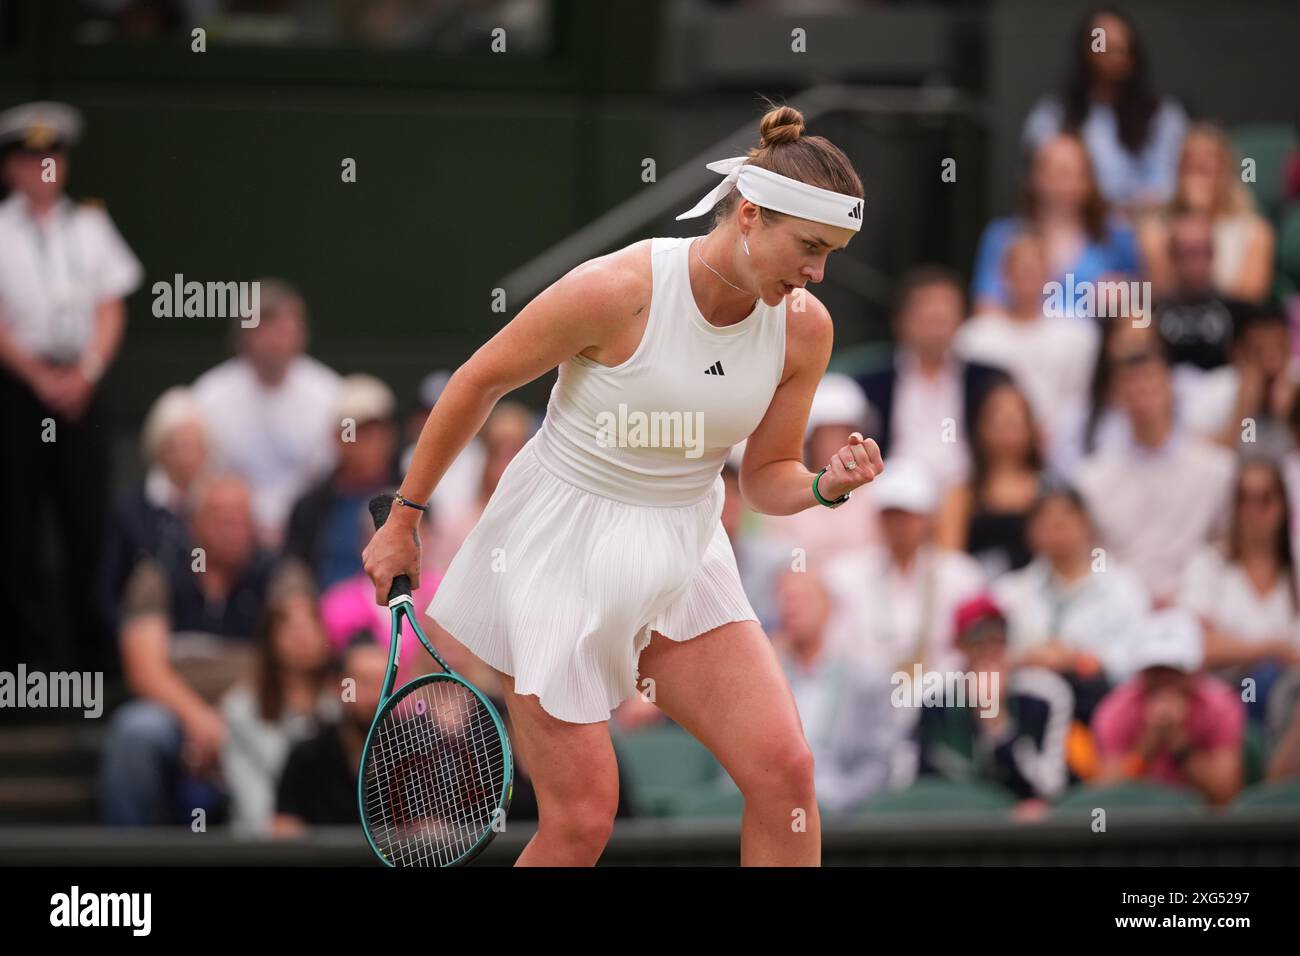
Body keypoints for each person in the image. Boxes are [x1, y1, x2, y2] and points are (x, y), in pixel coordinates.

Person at [363, 104, 883, 866]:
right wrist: (404, 517)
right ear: (748, 216)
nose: (816, 273)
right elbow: (477, 383)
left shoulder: (804, 326)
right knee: (581, 822)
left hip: (684, 550)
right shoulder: (618, 289)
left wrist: (825, 486)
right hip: (557, 551)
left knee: (786, 776)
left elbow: (768, 477)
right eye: (808, 247)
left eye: (831, 253)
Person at [0, 100, 144, 674]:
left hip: (82, 390)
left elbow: (111, 308)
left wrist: (84, 373)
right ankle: (23, 661)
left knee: (89, 521)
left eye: (53, 155)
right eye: (32, 157)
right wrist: (37, 377)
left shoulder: (91, 224)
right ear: (11, 166)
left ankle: (93, 657)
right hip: (16, 390)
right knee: (15, 524)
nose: (45, 167)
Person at [99, 474, 280, 826]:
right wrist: (200, 721)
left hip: (257, 711)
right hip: (177, 715)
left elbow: (294, 655)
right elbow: (144, 670)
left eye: (240, 517)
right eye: (220, 517)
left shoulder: (277, 573)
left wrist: (231, 720)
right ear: (193, 523)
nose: (232, 527)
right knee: (135, 732)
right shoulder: (159, 574)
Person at [1074, 342, 1235, 604]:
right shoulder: (1090, 480)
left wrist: (1190, 595)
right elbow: (1093, 556)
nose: (1141, 390)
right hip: (1119, 608)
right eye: (1130, 383)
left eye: (1150, 379)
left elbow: (1226, 546)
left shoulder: (1218, 469)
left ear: (1170, 388)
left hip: (1201, 603)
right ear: (1116, 395)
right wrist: (1126, 596)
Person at [191, 279, 342, 548]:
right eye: (266, 325)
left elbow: (329, 474)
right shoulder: (208, 396)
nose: (277, 337)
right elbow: (202, 477)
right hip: (229, 537)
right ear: (245, 333)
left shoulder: (329, 393)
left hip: (309, 535)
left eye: (286, 326)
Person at [991, 486, 1150, 718]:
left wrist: (1079, 660)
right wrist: (1027, 658)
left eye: (1065, 521)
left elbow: (1139, 653)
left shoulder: (1121, 587)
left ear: (1086, 524)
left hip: (1100, 706)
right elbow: (991, 655)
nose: (1057, 531)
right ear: (1031, 532)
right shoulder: (1009, 591)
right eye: (1046, 523)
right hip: (1024, 710)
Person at [821, 457, 985, 678]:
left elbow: (969, 649)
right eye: (891, 514)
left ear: (927, 518)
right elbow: (838, 649)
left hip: (939, 696)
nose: (899, 525)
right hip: (869, 693)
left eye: (907, 515)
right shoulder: (845, 574)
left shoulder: (960, 575)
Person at [854, 266, 1008, 493]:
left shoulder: (988, 381)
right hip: (890, 492)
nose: (936, 321)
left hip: (969, 493)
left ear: (961, 319)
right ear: (900, 320)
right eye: (926, 312)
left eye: (945, 312)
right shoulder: (869, 385)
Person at [1021, 6, 1187, 214]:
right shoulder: (1052, 115)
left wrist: (1127, 209)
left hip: (1144, 226)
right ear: (1084, 50)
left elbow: (1169, 183)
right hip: (1078, 225)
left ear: (1132, 54)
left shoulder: (1164, 116)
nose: (1110, 54)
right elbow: (1042, 179)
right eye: (1101, 44)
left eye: (1119, 47)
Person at [915, 595, 1074, 803]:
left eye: (998, 639)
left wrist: (999, 724)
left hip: (1023, 820)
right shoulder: (935, 700)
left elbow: (1052, 787)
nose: (989, 651)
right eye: (977, 641)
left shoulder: (1044, 695)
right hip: (955, 821)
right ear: (960, 645)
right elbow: (922, 784)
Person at [219, 564, 338, 836]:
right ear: (270, 638)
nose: (302, 635)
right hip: (267, 850)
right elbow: (252, 803)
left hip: (333, 847)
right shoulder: (240, 710)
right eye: (288, 625)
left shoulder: (341, 708)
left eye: (310, 623)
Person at [770, 569, 900, 816]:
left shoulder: (866, 682)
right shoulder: (765, 679)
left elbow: (878, 764)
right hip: (771, 808)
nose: (792, 609)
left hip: (838, 813)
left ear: (829, 608)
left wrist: (839, 804)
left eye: (803, 600)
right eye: (785, 600)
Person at [1178, 460, 1300, 721]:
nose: (1253, 511)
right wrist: (1272, 649)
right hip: (1225, 690)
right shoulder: (1208, 563)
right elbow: (1195, 646)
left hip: (1292, 693)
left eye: (1265, 499)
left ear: (1284, 507)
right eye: (1243, 499)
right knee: (1263, 684)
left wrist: (1242, 647)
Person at [971, 133, 1143, 316]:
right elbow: (985, 308)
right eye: (1051, 170)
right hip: (1020, 341)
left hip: (1093, 340)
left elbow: (1144, 305)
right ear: (1033, 177)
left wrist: (1123, 296)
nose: (1061, 182)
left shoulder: (1114, 236)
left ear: (1088, 181)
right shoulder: (1003, 236)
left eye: (1070, 172)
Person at [1092, 608, 1245, 806]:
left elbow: (1228, 795)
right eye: (1155, 671)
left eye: (1174, 670)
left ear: (1194, 671)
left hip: (1202, 829)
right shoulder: (1115, 710)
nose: (1164, 681)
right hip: (1135, 825)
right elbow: (1103, 799)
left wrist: (1179, 745)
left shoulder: (1221, 707)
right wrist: (1147, 745)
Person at [954, 232, 1099, 436]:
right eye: (1019, 270)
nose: (1026, 278)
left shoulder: (1079, 333)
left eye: (1033, 270)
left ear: (1050, 274)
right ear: (1003, 275)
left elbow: (1081, 399)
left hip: (1061, 440)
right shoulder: (975, 335)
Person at [100, 386, 208, 635]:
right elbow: (107, 592)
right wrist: (132, 637)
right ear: (158, 448)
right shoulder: (129, 511)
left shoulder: (220, 506)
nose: (185, 457)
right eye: (176, 446)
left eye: (192, 446)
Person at [284, 374, 402, 590]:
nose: (369, 442)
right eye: (357, 431)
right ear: (336, 438)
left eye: (376, 432)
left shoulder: (414, 499)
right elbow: (295, 572)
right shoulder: (309, 508)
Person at [1140, 124, 1276, 304]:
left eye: (1207, 168)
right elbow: (1161, 292)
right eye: (1191, 166)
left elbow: (1251, 300)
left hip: (1233, 325)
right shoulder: (1155, 232)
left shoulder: (1256, 232)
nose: (1199, 175)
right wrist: (1192, 218)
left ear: (1226, 173)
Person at [934, 381, 1044, 579]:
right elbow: (949, 561)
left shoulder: (1048, 490)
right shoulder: (962, 494)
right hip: (977, 598)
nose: (1007, 431)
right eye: (999, 421)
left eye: (1014, 422)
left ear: (1031, 428)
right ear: (981, 427)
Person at [1150, 212, 1253, 372]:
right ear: (1172, 257)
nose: (1198, 264)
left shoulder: (1239, 313)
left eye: (1205, 252)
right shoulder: (1151, 314)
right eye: (1189, 253)